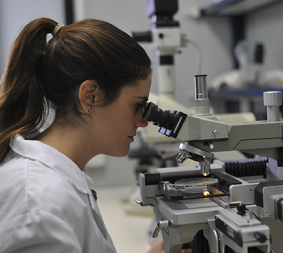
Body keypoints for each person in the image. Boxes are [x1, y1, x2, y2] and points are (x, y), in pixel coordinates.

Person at [0, 17, 163, 253]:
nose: (144, 121)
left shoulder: (59, 179)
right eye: (137, 104)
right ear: (91, 96)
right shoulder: (40, 204)